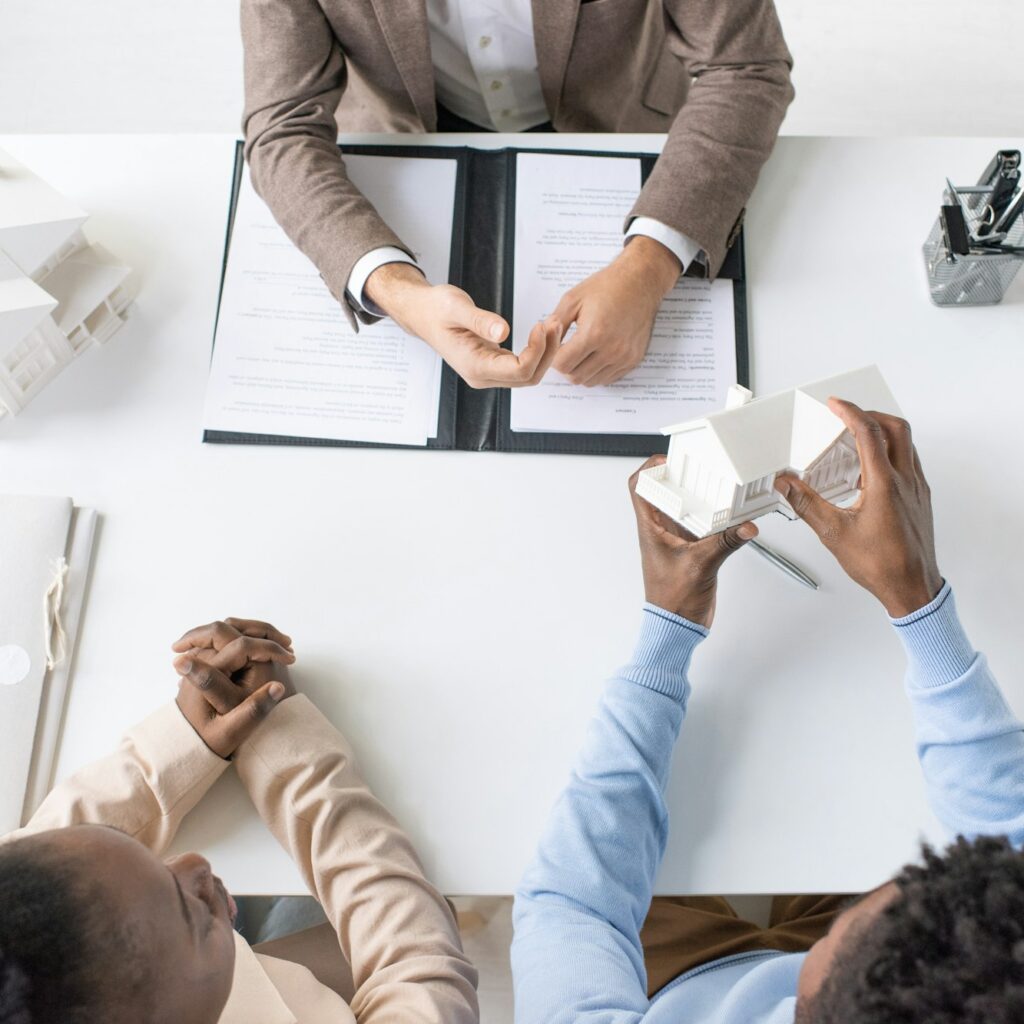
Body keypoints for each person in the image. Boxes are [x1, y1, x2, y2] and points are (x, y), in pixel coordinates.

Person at [512, 398, 1024, 1022]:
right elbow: (1010, 831)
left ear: (805, 997)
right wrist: (917, 600)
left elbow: (573, 904)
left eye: (853, 922)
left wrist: (666, 635)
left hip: (673, 984)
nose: (894, 886)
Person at [241, 0, 793, 389]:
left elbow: (745, 65)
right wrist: (398, 294)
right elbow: (282, 127)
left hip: (617, 120)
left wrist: (652, 264)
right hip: (410, 131)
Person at [0, 620, 478, 1024]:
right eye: (187, 910)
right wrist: (281, 738)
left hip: (247, 979)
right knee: (438, 913)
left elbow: (37, 859)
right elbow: (418, 966)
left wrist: (186, 743)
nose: (196, 865)